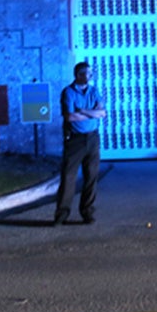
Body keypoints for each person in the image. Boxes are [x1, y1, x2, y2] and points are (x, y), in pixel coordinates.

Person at [54, 62, 106, 225]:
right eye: (87, 74)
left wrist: (82, 111)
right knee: (68, 177)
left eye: (91, 74)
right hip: (75, 140)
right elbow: (69, 117)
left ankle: (87, 212)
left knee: (91, 176)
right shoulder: (68, 92)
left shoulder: (94, 91)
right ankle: (62, 214)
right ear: (78, 75)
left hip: (92, 138)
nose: (90, 77)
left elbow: (102, 113)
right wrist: (92, 113)